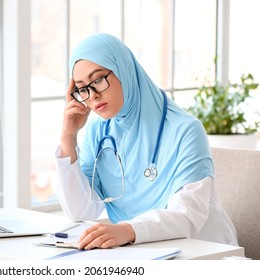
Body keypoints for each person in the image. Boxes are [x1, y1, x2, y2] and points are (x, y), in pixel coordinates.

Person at [55, 33, 238, 250]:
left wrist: (128, 230)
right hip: (140, 252)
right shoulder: (98, 130)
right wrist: (68, 138)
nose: (92, 95)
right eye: (82, 88)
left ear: (123, 69)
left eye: (97, 80)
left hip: (204, 251)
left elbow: (187, 217)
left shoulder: (185, 130)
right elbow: (80, 211)